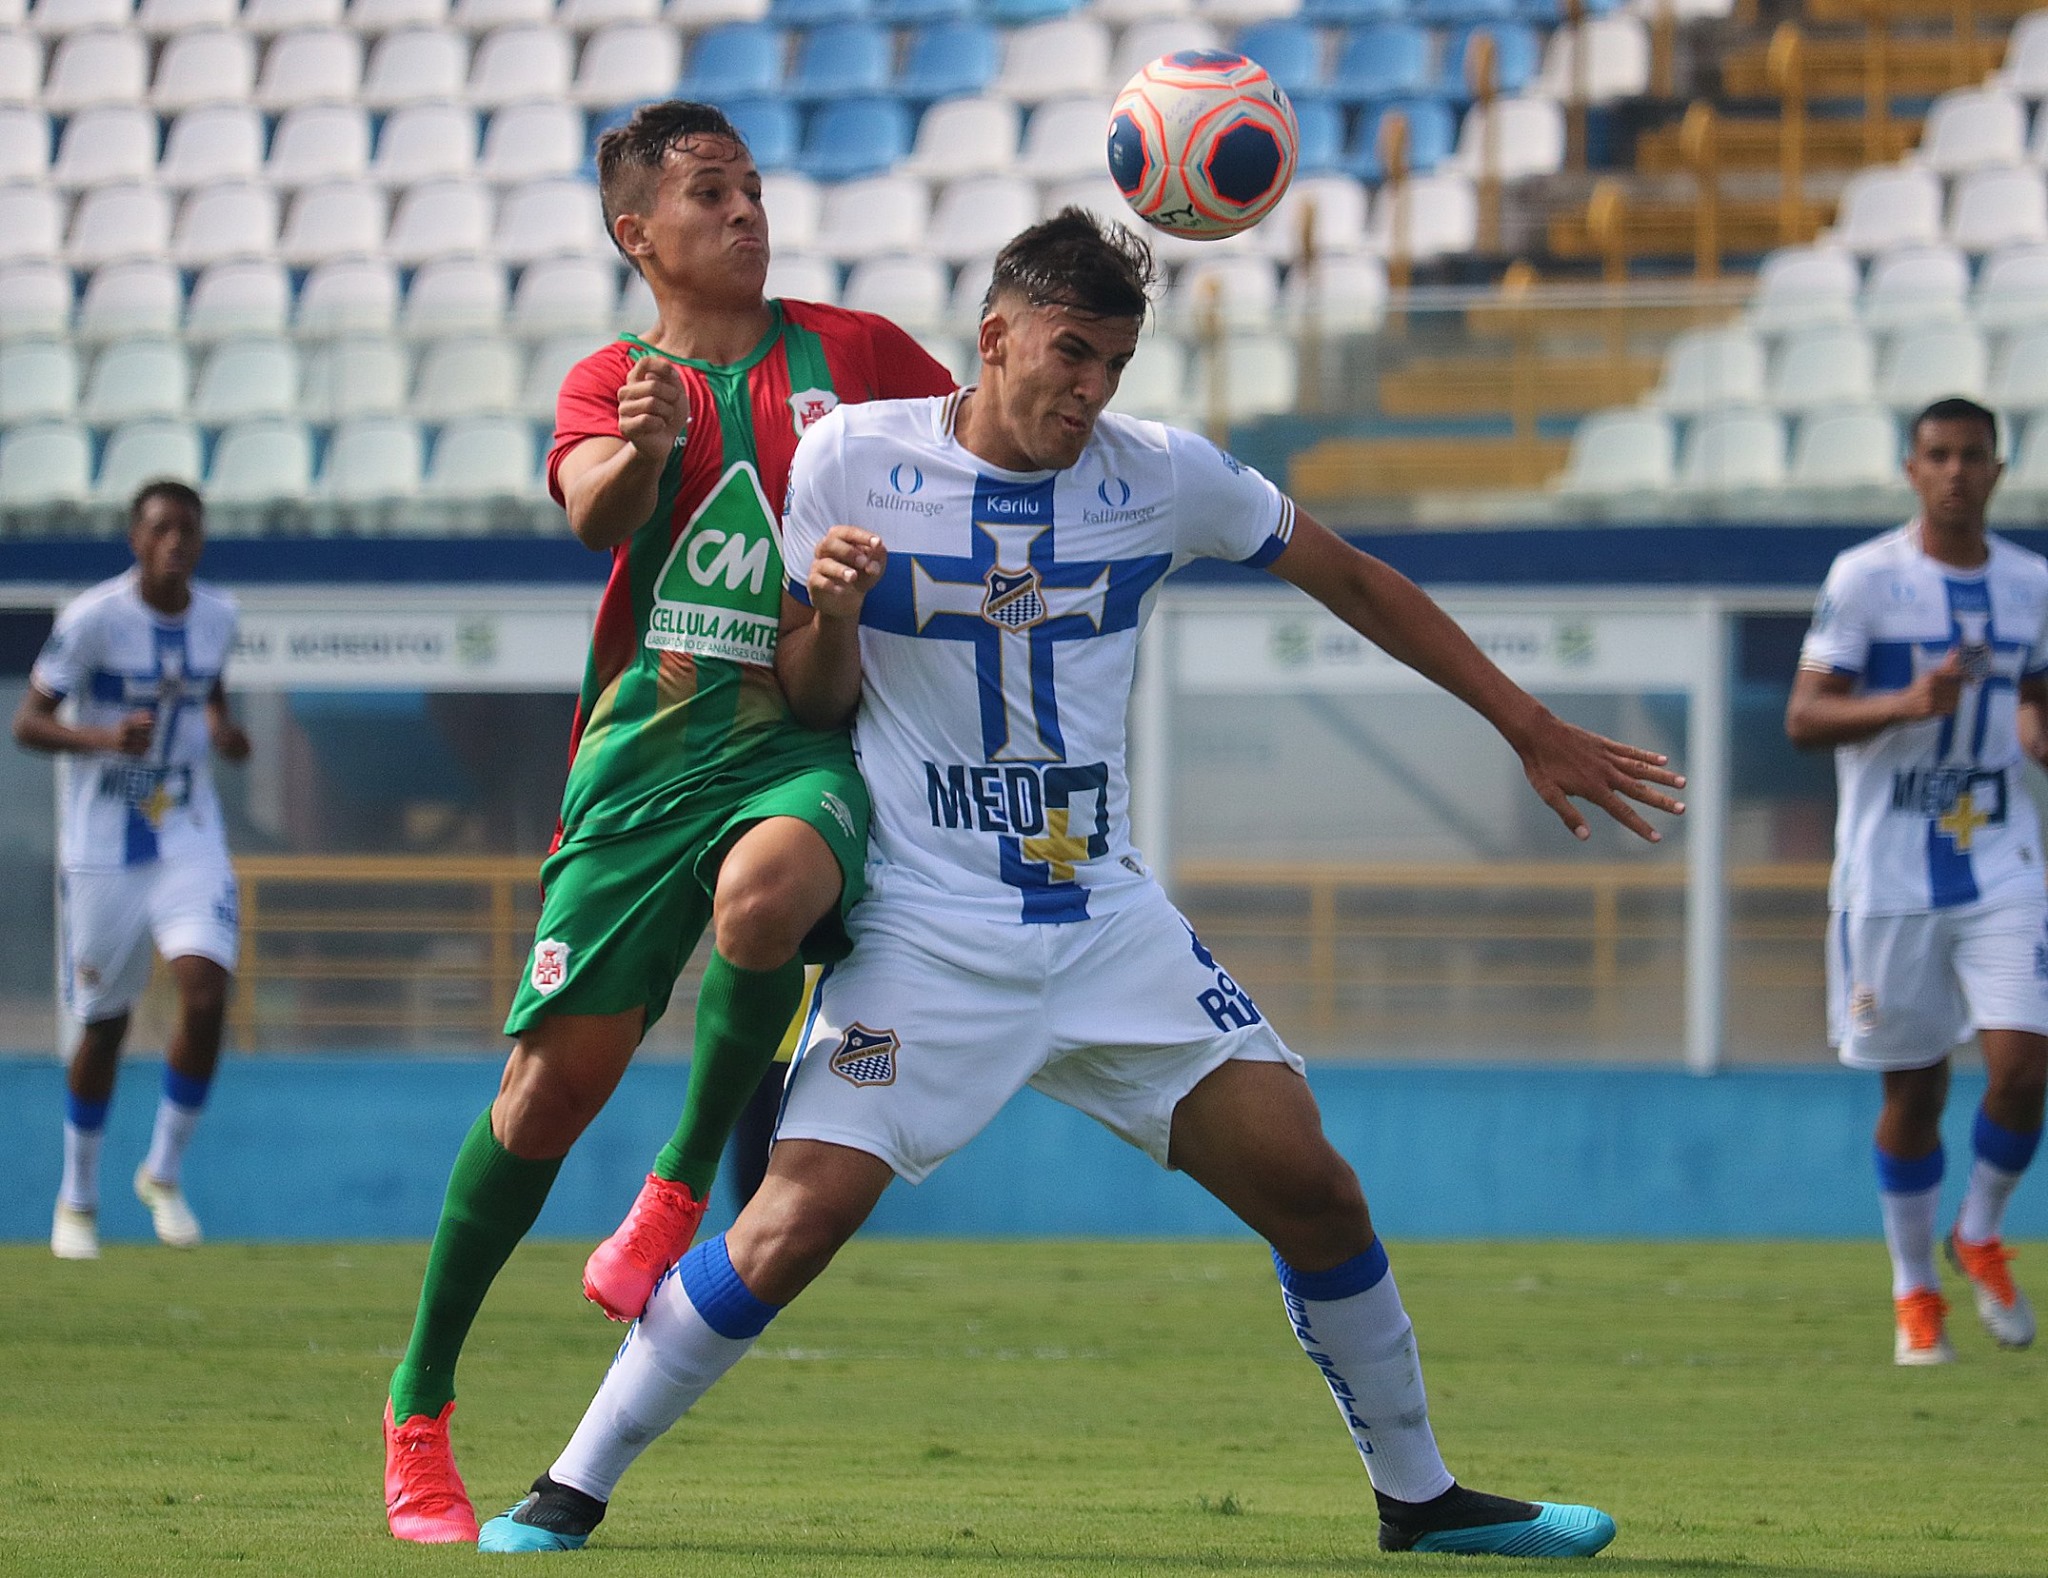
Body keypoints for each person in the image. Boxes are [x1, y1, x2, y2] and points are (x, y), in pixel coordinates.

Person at [475, 210, 1685, 1559]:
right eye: (1071, 355)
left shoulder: (1162, 477)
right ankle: (564, 1489)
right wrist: (830, 606)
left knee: (1317, 1186)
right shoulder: (852, 459)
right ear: (995, 339)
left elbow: (1346, 574)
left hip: (1107, 927)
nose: (1093, 390)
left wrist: (1523, 722)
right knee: (793, 1222)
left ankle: (1423, 1498)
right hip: (929, 936)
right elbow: (814, 692)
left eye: (1115, 362)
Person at [381, 99, 953, 1544]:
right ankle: (420, 1404)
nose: (746, 210)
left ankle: (678, 1187)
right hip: (639, 773)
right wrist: (637, 451)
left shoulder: (858, 355)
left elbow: (976, 440)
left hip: (798, 744)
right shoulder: (613, 380)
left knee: (768, 900)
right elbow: (591, 511)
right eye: (710, 193)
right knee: (540, 1100)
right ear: (640, 235)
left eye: (754, 186)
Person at [1787, 395, 2045, 1365]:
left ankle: (1976, 1227)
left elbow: (2035, 700)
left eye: (1971, 456)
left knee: (2023, 1064)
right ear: (1909, 469)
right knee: (1915, 1087)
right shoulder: (1863, 579)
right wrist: (1904, 702)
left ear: (1995, 470)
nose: (1953, 472)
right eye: (1935, 455)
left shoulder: (2029, 585)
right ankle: (1911, 1290)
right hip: (1887, 871)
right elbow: (1805, 718)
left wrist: (2032, 731)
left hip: (1999, 858)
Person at [15, 480, 249, 1262]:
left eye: (187, 528)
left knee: (206, 992)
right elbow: (30, 722)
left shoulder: (219, 615)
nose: (175, 541)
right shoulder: (91, 620)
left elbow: (207, 684)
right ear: (135, 539)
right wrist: (105, 739)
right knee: (105, 1024)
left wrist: (222, 730)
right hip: (105, 845)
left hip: (185, 830)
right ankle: (77, 1195)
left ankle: (163, 1171)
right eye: (160, 529)